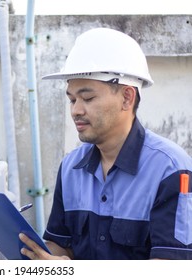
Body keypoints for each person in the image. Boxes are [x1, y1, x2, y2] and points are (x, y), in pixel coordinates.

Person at [19, 27, 192, 260]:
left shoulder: (170, 169)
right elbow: (61, 244)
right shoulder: (71, 167)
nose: (76, 110)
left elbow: (169, 269)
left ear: (127, 97)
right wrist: (41, 256)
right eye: (72, 99)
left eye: (88, 98)